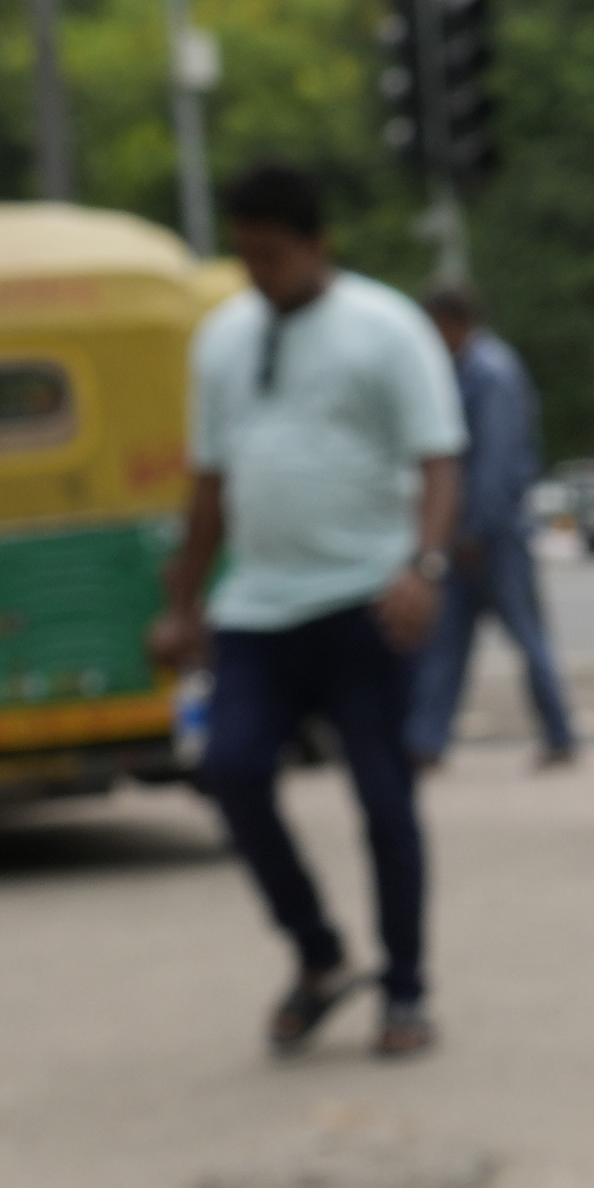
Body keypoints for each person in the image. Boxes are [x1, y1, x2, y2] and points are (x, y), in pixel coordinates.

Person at [152, 159, 465, 1061]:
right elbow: (208, 484)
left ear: (319, 246)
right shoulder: (221, 340)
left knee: (383, 798)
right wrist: (183, 602)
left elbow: (440, 456)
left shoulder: (385, 329)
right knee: (234, 771)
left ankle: (405, 988)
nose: (260, 273)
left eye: (276, 256)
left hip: (364, 605)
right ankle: (318, 953)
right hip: (258, 607)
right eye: (247, 256)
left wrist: (425, 566)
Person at [415, 280, 578, 775]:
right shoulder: (461, 370)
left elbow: (495, 459)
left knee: (526, 635)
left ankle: (558, 733)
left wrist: (473, 530)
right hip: (467, 529)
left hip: (495, 532)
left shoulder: (491, 372)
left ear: (453, 322)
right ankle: (426, 739)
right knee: (445, 639)